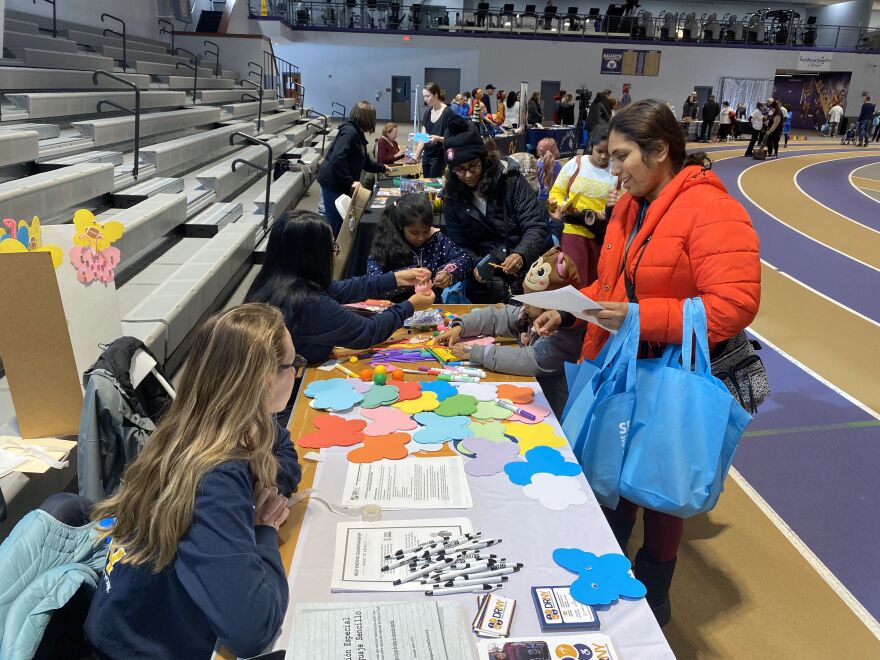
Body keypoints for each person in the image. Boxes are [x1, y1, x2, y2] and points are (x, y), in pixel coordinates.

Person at [533, 99, 760, 627]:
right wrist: (567, 314)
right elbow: (612, 290)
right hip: (627, 367)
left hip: (669, 373)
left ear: (660, 151)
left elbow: (734, 306)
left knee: (658, 486)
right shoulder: (631, 207)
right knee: (615, 478)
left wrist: (638, 318)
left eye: (621, 157)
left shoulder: (711, 209)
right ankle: (608, 577)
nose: (612, 170)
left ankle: (653, 598)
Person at [84, 303, 304, 660]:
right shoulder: (215, 476)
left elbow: (282, 448)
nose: (296, 372)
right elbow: (252, 631)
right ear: (264, 382)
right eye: (291, 365)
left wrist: (262, 484)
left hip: (131, 625)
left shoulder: (197, 424)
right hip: (141, 649)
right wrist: (263, 527)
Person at [245, 211, 435, 367]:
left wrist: (395, 278)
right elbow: (367, 332)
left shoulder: (275, 281)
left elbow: (341, 289)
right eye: (333, 247)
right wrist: (410, 306)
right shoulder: (306, 302)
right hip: (292, 395)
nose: (335, 253)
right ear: (314, 256)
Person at [435, 247, 585, 416]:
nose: (525, 304)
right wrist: (461, 327)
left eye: (531, 299)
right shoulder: (529, 315)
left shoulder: (562, 335)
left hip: (550, 408)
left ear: (550, 304)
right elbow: (500, 316)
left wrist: (478, 353)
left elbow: (530, 360)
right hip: (529, 395)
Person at [442, 126, 548, 302]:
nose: (467, 175)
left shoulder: (509, 179)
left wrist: (521, 254)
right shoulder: (451, 196)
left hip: (523, 268)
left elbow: (535, 224)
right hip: (485, 278)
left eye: (473, 166)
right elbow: (458, 245)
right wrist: (476, 265)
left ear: (484, 159)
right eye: (460, 169)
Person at [548, 125, 618, 284]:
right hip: (572, 229)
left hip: (599, 233)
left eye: (608, 152)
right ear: (591, 146)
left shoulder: (616, 171)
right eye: (599, 151)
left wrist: (607, 210)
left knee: (594, 281)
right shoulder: (576, 163)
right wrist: (560, 208)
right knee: (574, 278)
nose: (603, 157)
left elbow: (621, 202)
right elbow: (554, 193)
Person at [367, 193, 473, 299]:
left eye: (426, 231)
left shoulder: (436, 239)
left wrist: (447, 273)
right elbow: (373, 286)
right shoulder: (385, 245)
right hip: (394, 309)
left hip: (431, 305)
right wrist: (405, 277)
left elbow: (464, 258)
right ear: (401, 226)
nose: (421, 238)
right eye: (414, 233)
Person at [317, 101, 390, 236]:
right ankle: (335, 253)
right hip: (333, 182)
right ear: (367, 118)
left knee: (343, 221)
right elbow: (337, 159)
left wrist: (382, 167)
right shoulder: (349, 132)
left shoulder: (357, 133)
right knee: (336, 223)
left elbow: (365, 161)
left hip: (340, 182)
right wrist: (350, 181)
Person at [413, 82, 455, 177]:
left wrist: (437, 138)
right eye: (424, 96)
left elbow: (453, 139)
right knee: (426, 183)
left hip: (439, 155)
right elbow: (423, 138)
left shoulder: (448, 112)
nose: (425, 99)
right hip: (427, 154)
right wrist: (416, 157)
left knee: (433, 184)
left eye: (428, 96)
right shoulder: (427, 113)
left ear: (436, 95)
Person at [536, 137, 562, 202]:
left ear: (539, 151)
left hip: (537, 199)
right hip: (553, 200)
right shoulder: (557, 165)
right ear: (554, 150)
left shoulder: (535, 165)